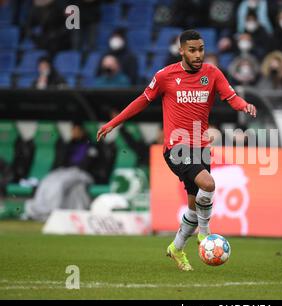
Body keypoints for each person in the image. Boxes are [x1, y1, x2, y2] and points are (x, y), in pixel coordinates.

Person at [96, 30, 257, 271]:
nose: (198, 54)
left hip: (201, 148)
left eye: (201, 49)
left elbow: (231, 96)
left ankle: (176, 249)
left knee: (194, 209)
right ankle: (205, 235)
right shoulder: (165, 76)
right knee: (209, 185)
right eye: (192, 50)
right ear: (181, 50)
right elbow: (142, 100)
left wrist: (244, 105)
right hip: (176, 147)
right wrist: (113, 122)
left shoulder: (212, 74)